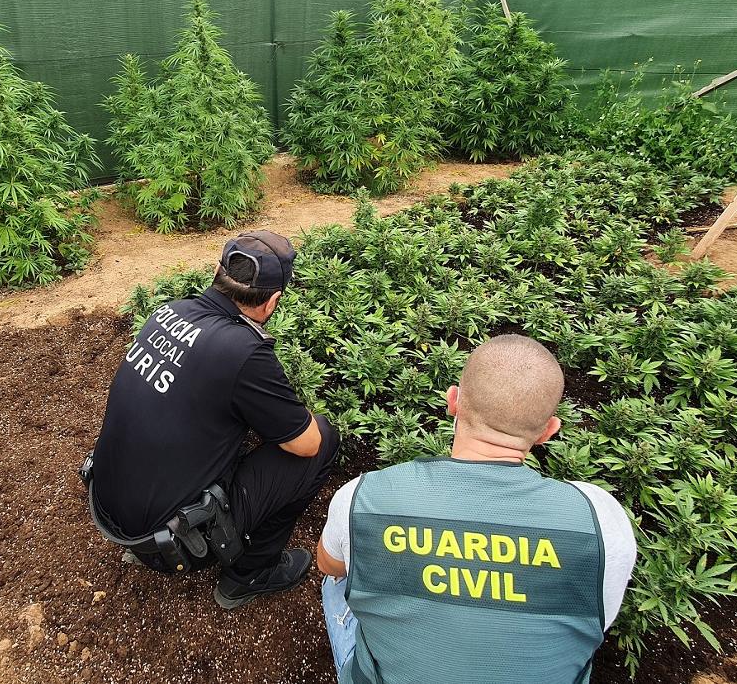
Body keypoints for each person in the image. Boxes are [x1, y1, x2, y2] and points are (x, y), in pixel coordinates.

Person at [316, 334, 637, 683]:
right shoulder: (600, 521)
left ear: (453, 401)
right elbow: (596, 624)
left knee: (340, 577)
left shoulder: (364, 497)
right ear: (549, 430)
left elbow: (327, 563)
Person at [87, 231, 339, 609]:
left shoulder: (167, 312)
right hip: (169, 543)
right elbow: (305, 443)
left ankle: (147, 542)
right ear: (273, 301)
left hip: (108, 510)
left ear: (217, 270)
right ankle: (251, 572)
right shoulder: (243, 351)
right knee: (324, 439)